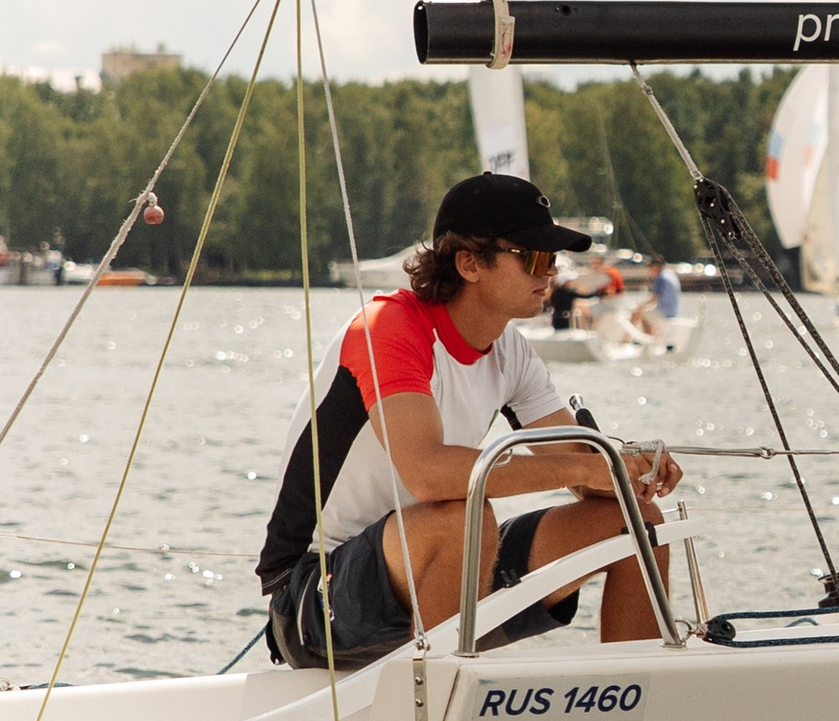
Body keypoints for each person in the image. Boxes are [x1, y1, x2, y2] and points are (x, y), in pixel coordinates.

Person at [254, 173, 683, 669]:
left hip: (436, 557)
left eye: (554, 259)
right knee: (463, 519)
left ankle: (637, 697)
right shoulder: (387, 328)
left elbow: (582, 471)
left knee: (637, 522)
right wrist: (589, 467)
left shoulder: (510, 351)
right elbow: (428, 474)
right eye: (534, 258)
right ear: (469, 263)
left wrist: (629, 470)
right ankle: (443, 695)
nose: (550, 273)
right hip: (311, 593)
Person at [629, 254, 682, 339]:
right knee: (647, 313)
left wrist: (640, 306)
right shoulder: (670, 274)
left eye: (651, 267)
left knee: (641, 313)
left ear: (656, 267)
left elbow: (654, 299)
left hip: (664, 311)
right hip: (673, 310)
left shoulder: (660, 278)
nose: (650, 270)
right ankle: (652, 335)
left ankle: (648, 338)